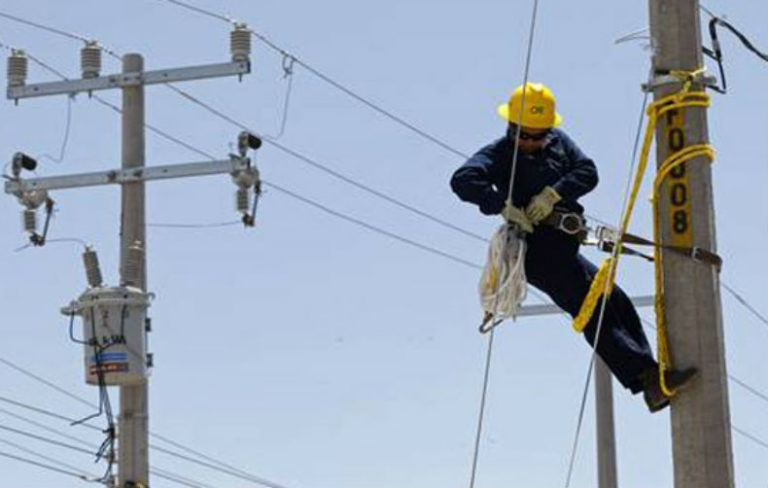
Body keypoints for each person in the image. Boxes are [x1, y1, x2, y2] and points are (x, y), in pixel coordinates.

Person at [450, 82, 696, 412]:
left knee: (614, 299)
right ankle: (648, 378)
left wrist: (555, 192)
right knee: (595, 309)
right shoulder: (498, 155)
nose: (533, 142)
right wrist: (501, 204)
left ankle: (650, 380)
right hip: (537, 250)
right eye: (526, 135)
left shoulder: (559, 143)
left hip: (564, 244)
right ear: (512, 129)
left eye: (540, 135)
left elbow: (587, 172)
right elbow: (463, 179)